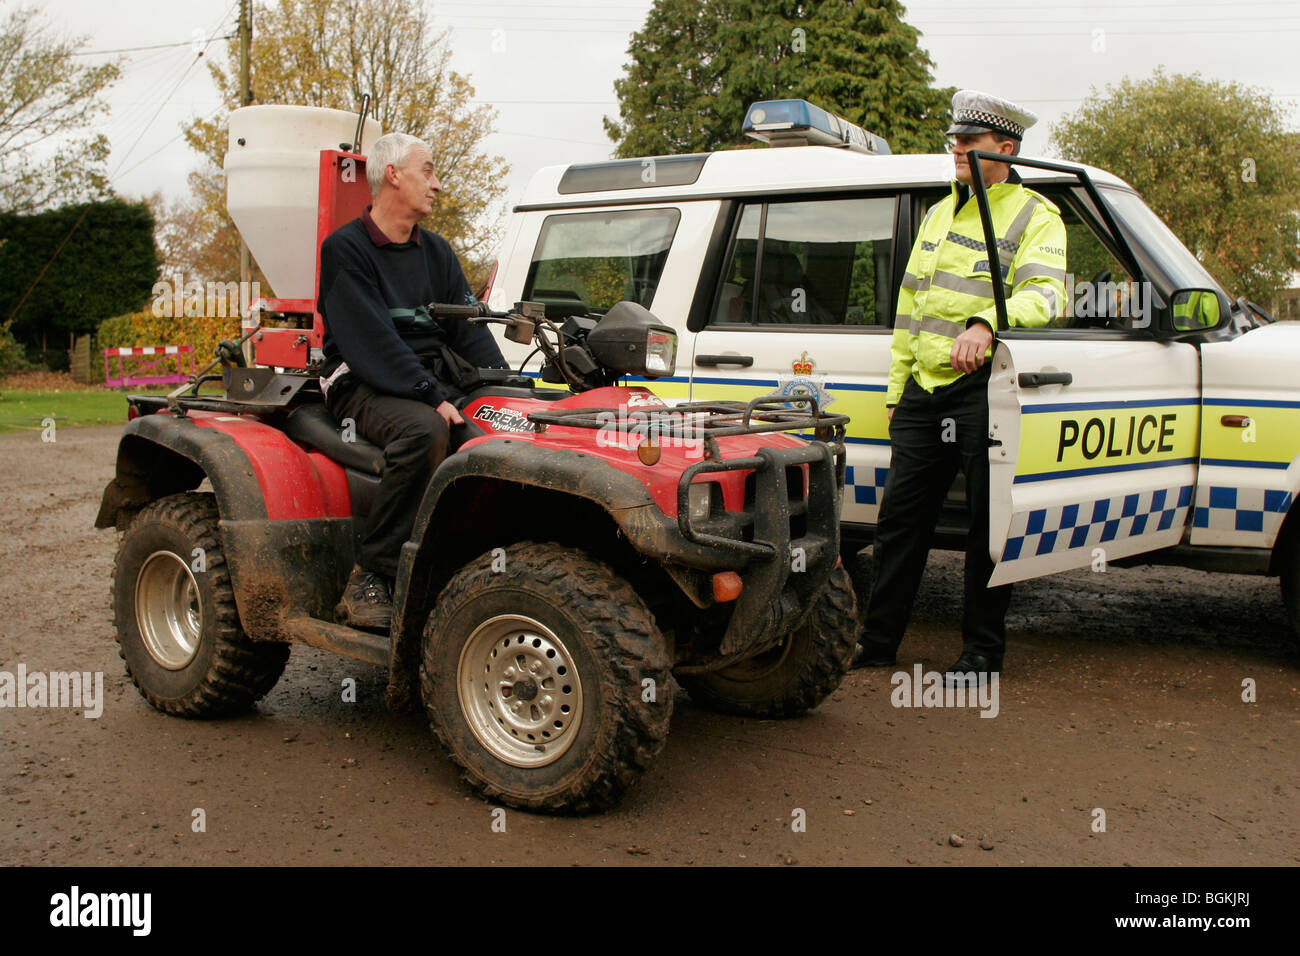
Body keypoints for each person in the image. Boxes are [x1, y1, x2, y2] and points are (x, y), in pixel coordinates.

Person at [851, 91, 1068, 684]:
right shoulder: (939, 214)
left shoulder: (1035, 215)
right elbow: (910, 309)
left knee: (985, 523)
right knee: (900, 521)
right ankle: (876, 642)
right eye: (954, 141)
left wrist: (987, 323)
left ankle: (981, 653)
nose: (956, 151)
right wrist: (898, 389)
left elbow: (1048, 295)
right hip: (924, 389)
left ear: (1006, 148)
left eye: (968, 144)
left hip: (983, 391)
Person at [317, 131, 506, 629]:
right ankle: (371, 576)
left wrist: (504, 389)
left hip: (423, 376)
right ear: (393, 174)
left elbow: (467, 329)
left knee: (500, 430)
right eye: (428, 170)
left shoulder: (437, 252)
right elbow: (370, 343)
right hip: (361, 379)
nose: (437, 184)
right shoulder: (345, 249)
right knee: (426, 432)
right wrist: (432, 396)